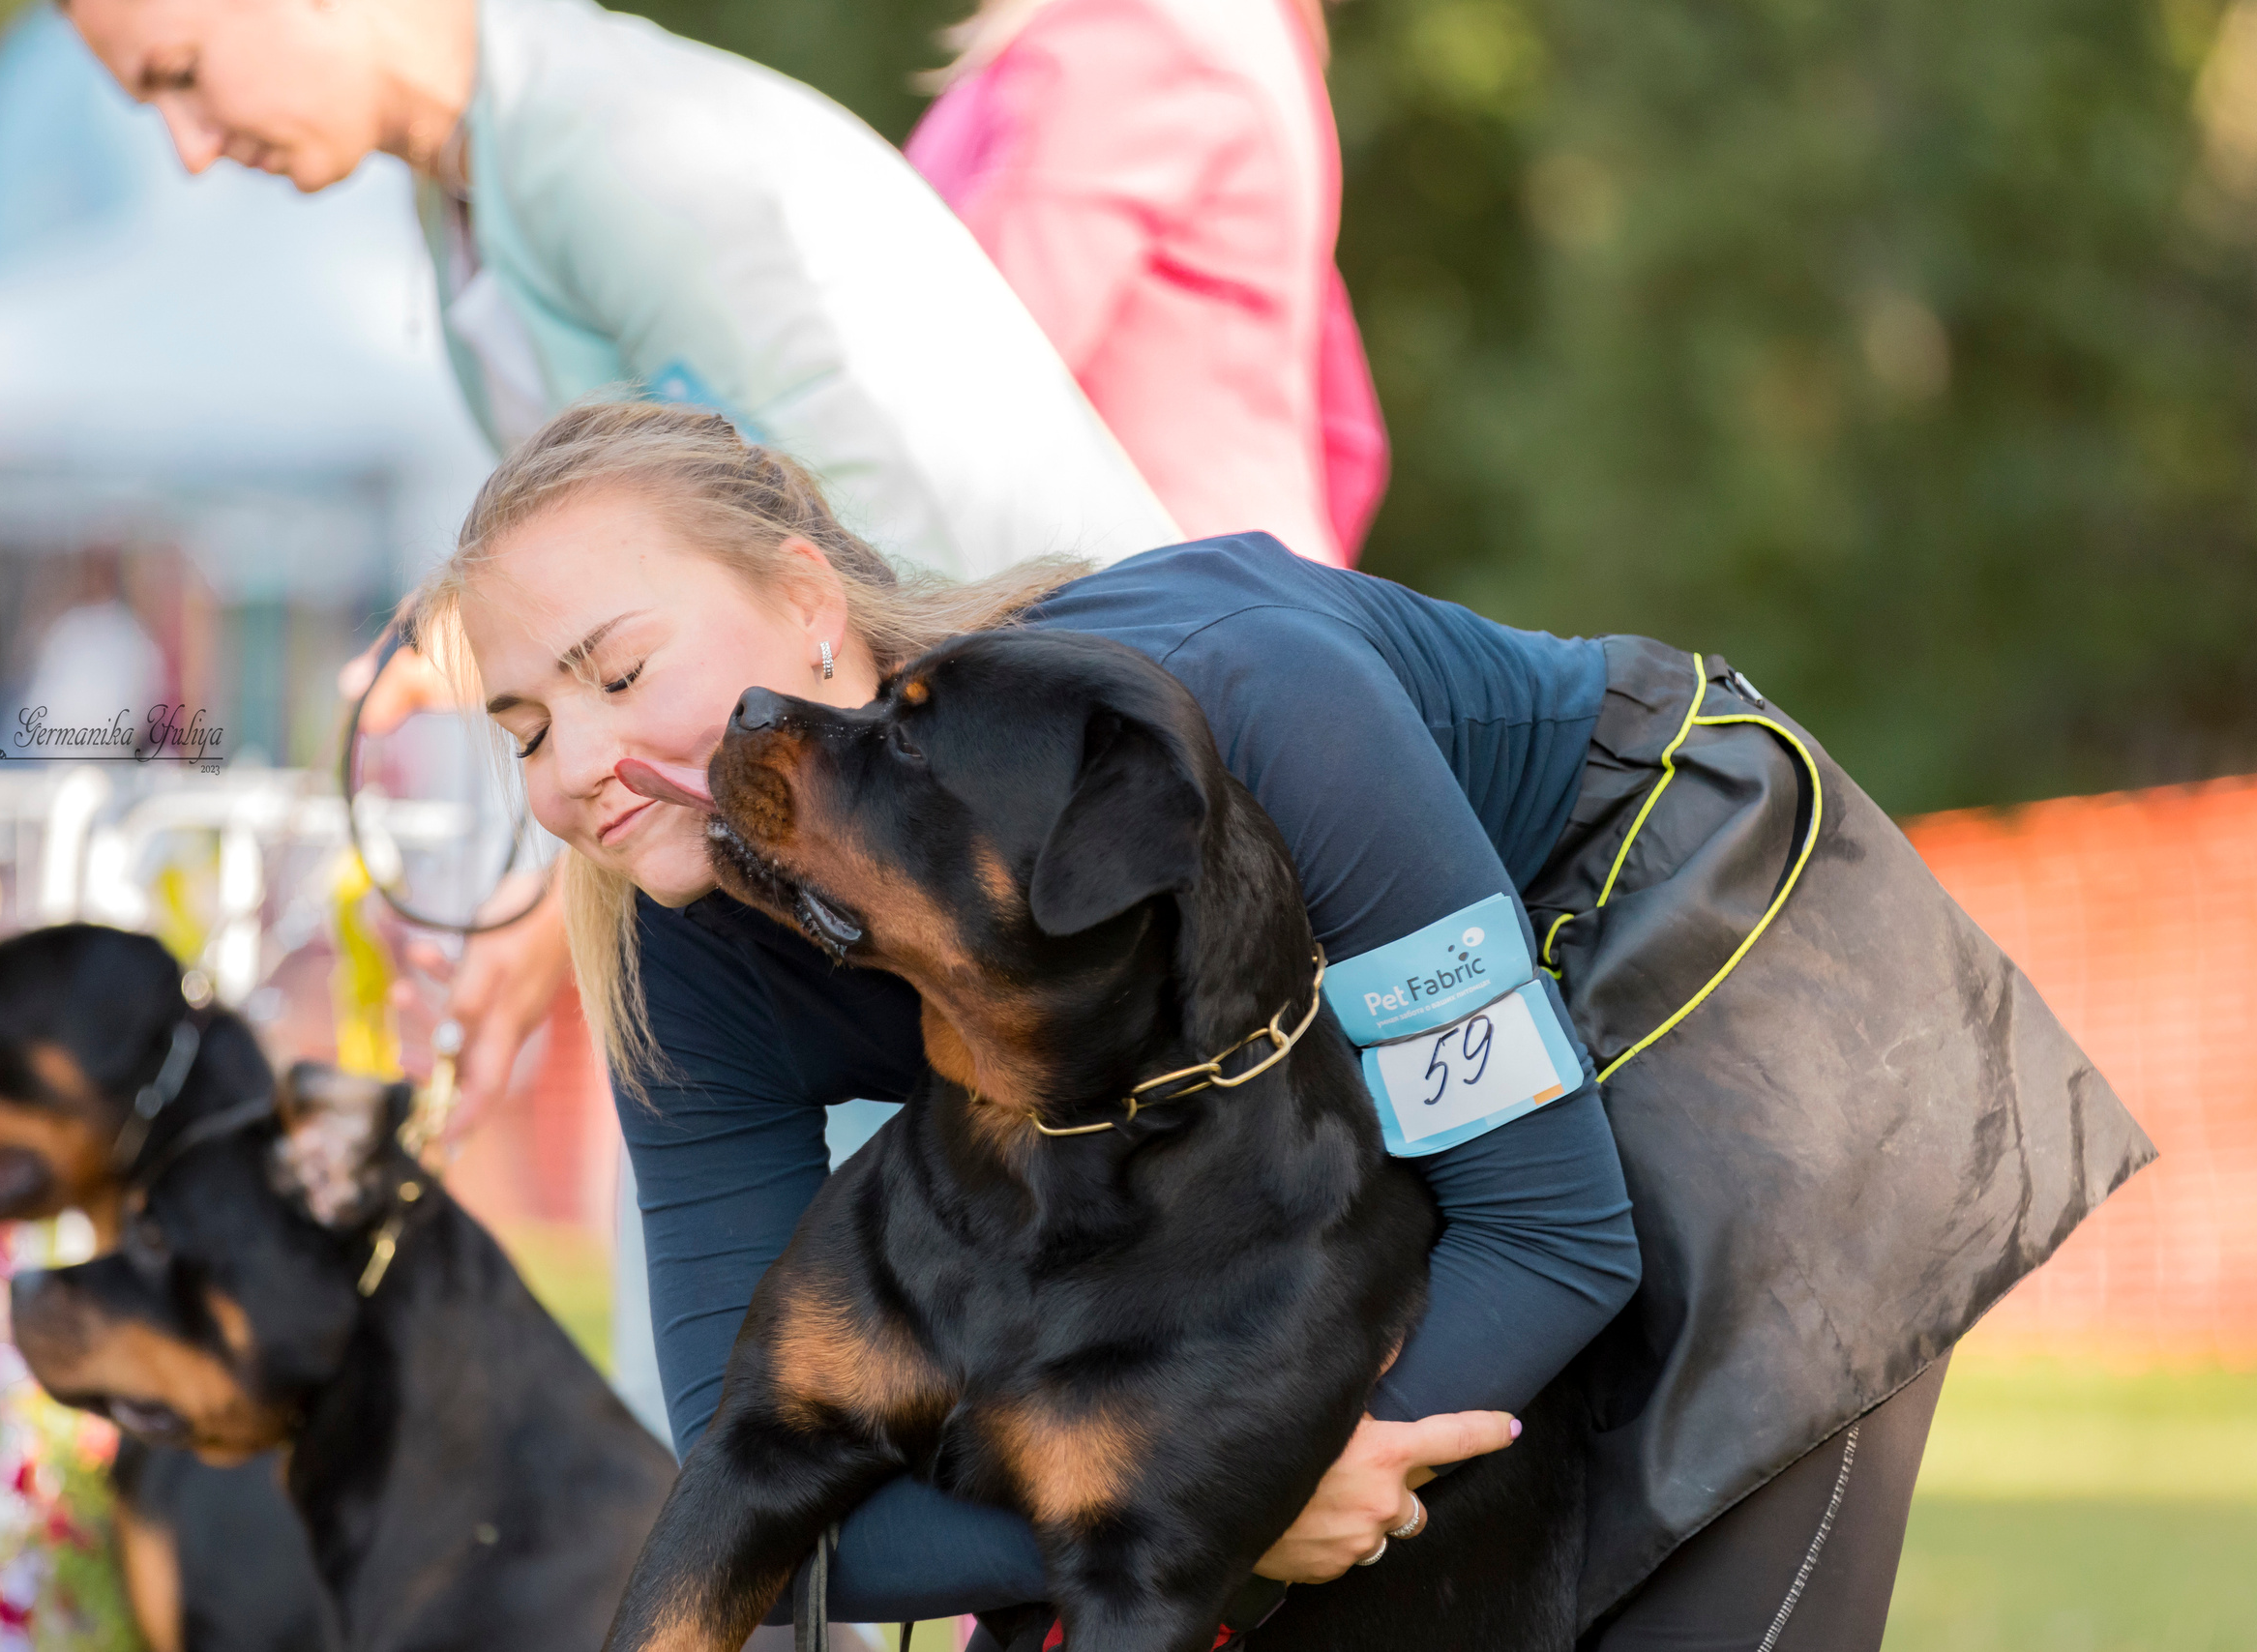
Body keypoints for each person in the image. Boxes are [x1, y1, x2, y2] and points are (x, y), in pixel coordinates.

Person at [412, 400, 2151, 1648]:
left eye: (618, 672)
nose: (570, 765)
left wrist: (1254, 1485)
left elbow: (1549, 1223)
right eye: (515, 724)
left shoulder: (1220, 708)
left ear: (808, 602)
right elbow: (771, 1481)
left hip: (1686, 933)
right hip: (1376, 1129)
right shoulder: (686, 952)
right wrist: (1197, 1501)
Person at [61, 0, 1182, 1122]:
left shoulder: (619, 150)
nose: (189, 148)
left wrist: (576, 892)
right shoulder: (481, 181)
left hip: (1066, 862)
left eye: (183, 74)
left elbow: (872, 547)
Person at [906, 0, 1387, 567]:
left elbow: (967, 374)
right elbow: (1346, 436)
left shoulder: (1136, 31)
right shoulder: (1250, 34)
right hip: (1223, 594)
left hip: (1145, 610)